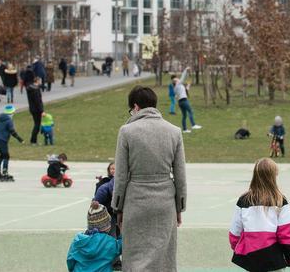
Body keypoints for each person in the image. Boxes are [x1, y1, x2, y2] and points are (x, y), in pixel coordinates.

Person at [112, 86, 187, 271]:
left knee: (134, 256)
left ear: (136, 107)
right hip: (165, 202)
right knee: (164, 259)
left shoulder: (127, 131)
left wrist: (118, 207)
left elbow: (120, 175)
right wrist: (179, 206)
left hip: (136, 200)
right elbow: (180, 175)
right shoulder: (174, 131)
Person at [228, 158, 290, 272]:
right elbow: (286, 234)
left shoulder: (243, 200)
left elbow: (235, 231)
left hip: (251, 258)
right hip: (274, 259)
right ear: (273, 177)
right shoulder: (280, 200)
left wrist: (238, 248)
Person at [67, 205, 122, 272]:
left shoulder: (78, 241)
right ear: (107, 225)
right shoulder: (109, 242)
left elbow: (70, 260)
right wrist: (121, 232)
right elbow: (122, 245)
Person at [0, 104, 23, 181]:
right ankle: (5, 173)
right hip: (3, 140)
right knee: (6, 156)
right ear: (11, 113)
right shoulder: (9, 120)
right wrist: (19, 139)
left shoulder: (0, 118)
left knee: (2, 155)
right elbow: (12, 131)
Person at [173, 67, 201, 132]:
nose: (178, 79)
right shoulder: (178, 84)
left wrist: (188, 86)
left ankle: (185, 129)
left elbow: (184, 91)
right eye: (177, 79)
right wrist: (186, 69)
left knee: (184, 116)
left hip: (180, 102)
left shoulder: (177, 87)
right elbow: (183, 77)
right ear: (176, 82)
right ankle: (193, 125)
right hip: (184, 101)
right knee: (190, 111)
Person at [27, 78, 45, 145]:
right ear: (37, 81)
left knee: (36, 124)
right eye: (40, 81)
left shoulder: (30, 88)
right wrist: (42, 111)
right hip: (37, 110)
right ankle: (33, 140)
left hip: (32, 109)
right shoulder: (35, 90)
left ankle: (33, 140)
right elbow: (38, 101)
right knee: (37, 125)